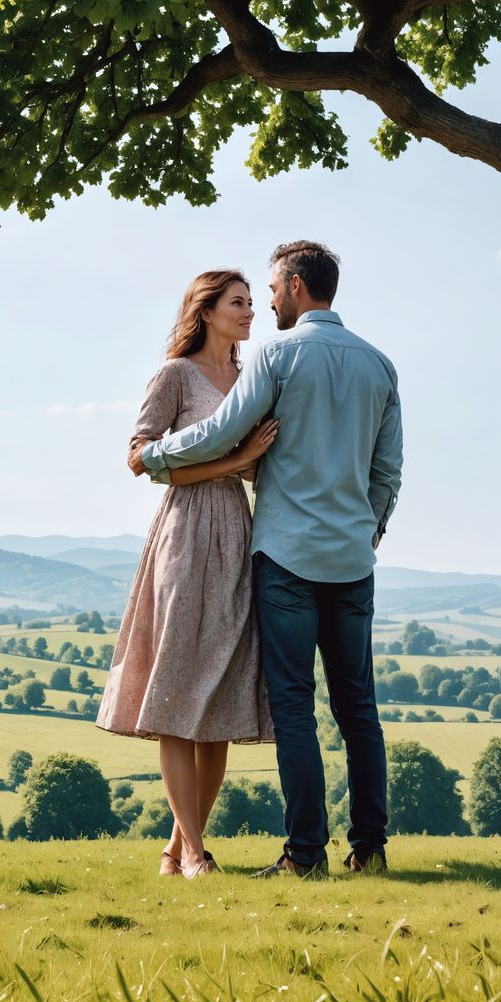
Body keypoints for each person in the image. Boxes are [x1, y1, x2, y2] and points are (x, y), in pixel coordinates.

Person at [130, 240, 402, 877]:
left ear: (297, 288)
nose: (267, 303)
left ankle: (305, 856)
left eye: (273, 291)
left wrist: (157, 457)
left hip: (286, 557)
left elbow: (225, 431)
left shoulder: (278, 355)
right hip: (352, 560)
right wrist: (368, 534)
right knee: (358, 708)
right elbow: (386, 472)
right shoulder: (380, 365)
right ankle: (370, 849)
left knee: (294, 709)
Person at [97, 269, 278, 879]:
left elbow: (261, 464)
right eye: (238, 302)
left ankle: (177, 848)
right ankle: (196, 852)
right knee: (176, 688)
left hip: (237, 529)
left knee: (220, 696)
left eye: (253, 302)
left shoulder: (255, 378)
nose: (251, 311)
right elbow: (138, 457)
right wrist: (237, 458)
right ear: (206, 311)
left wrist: (253, 463)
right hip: (184, 531)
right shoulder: (174, 375)